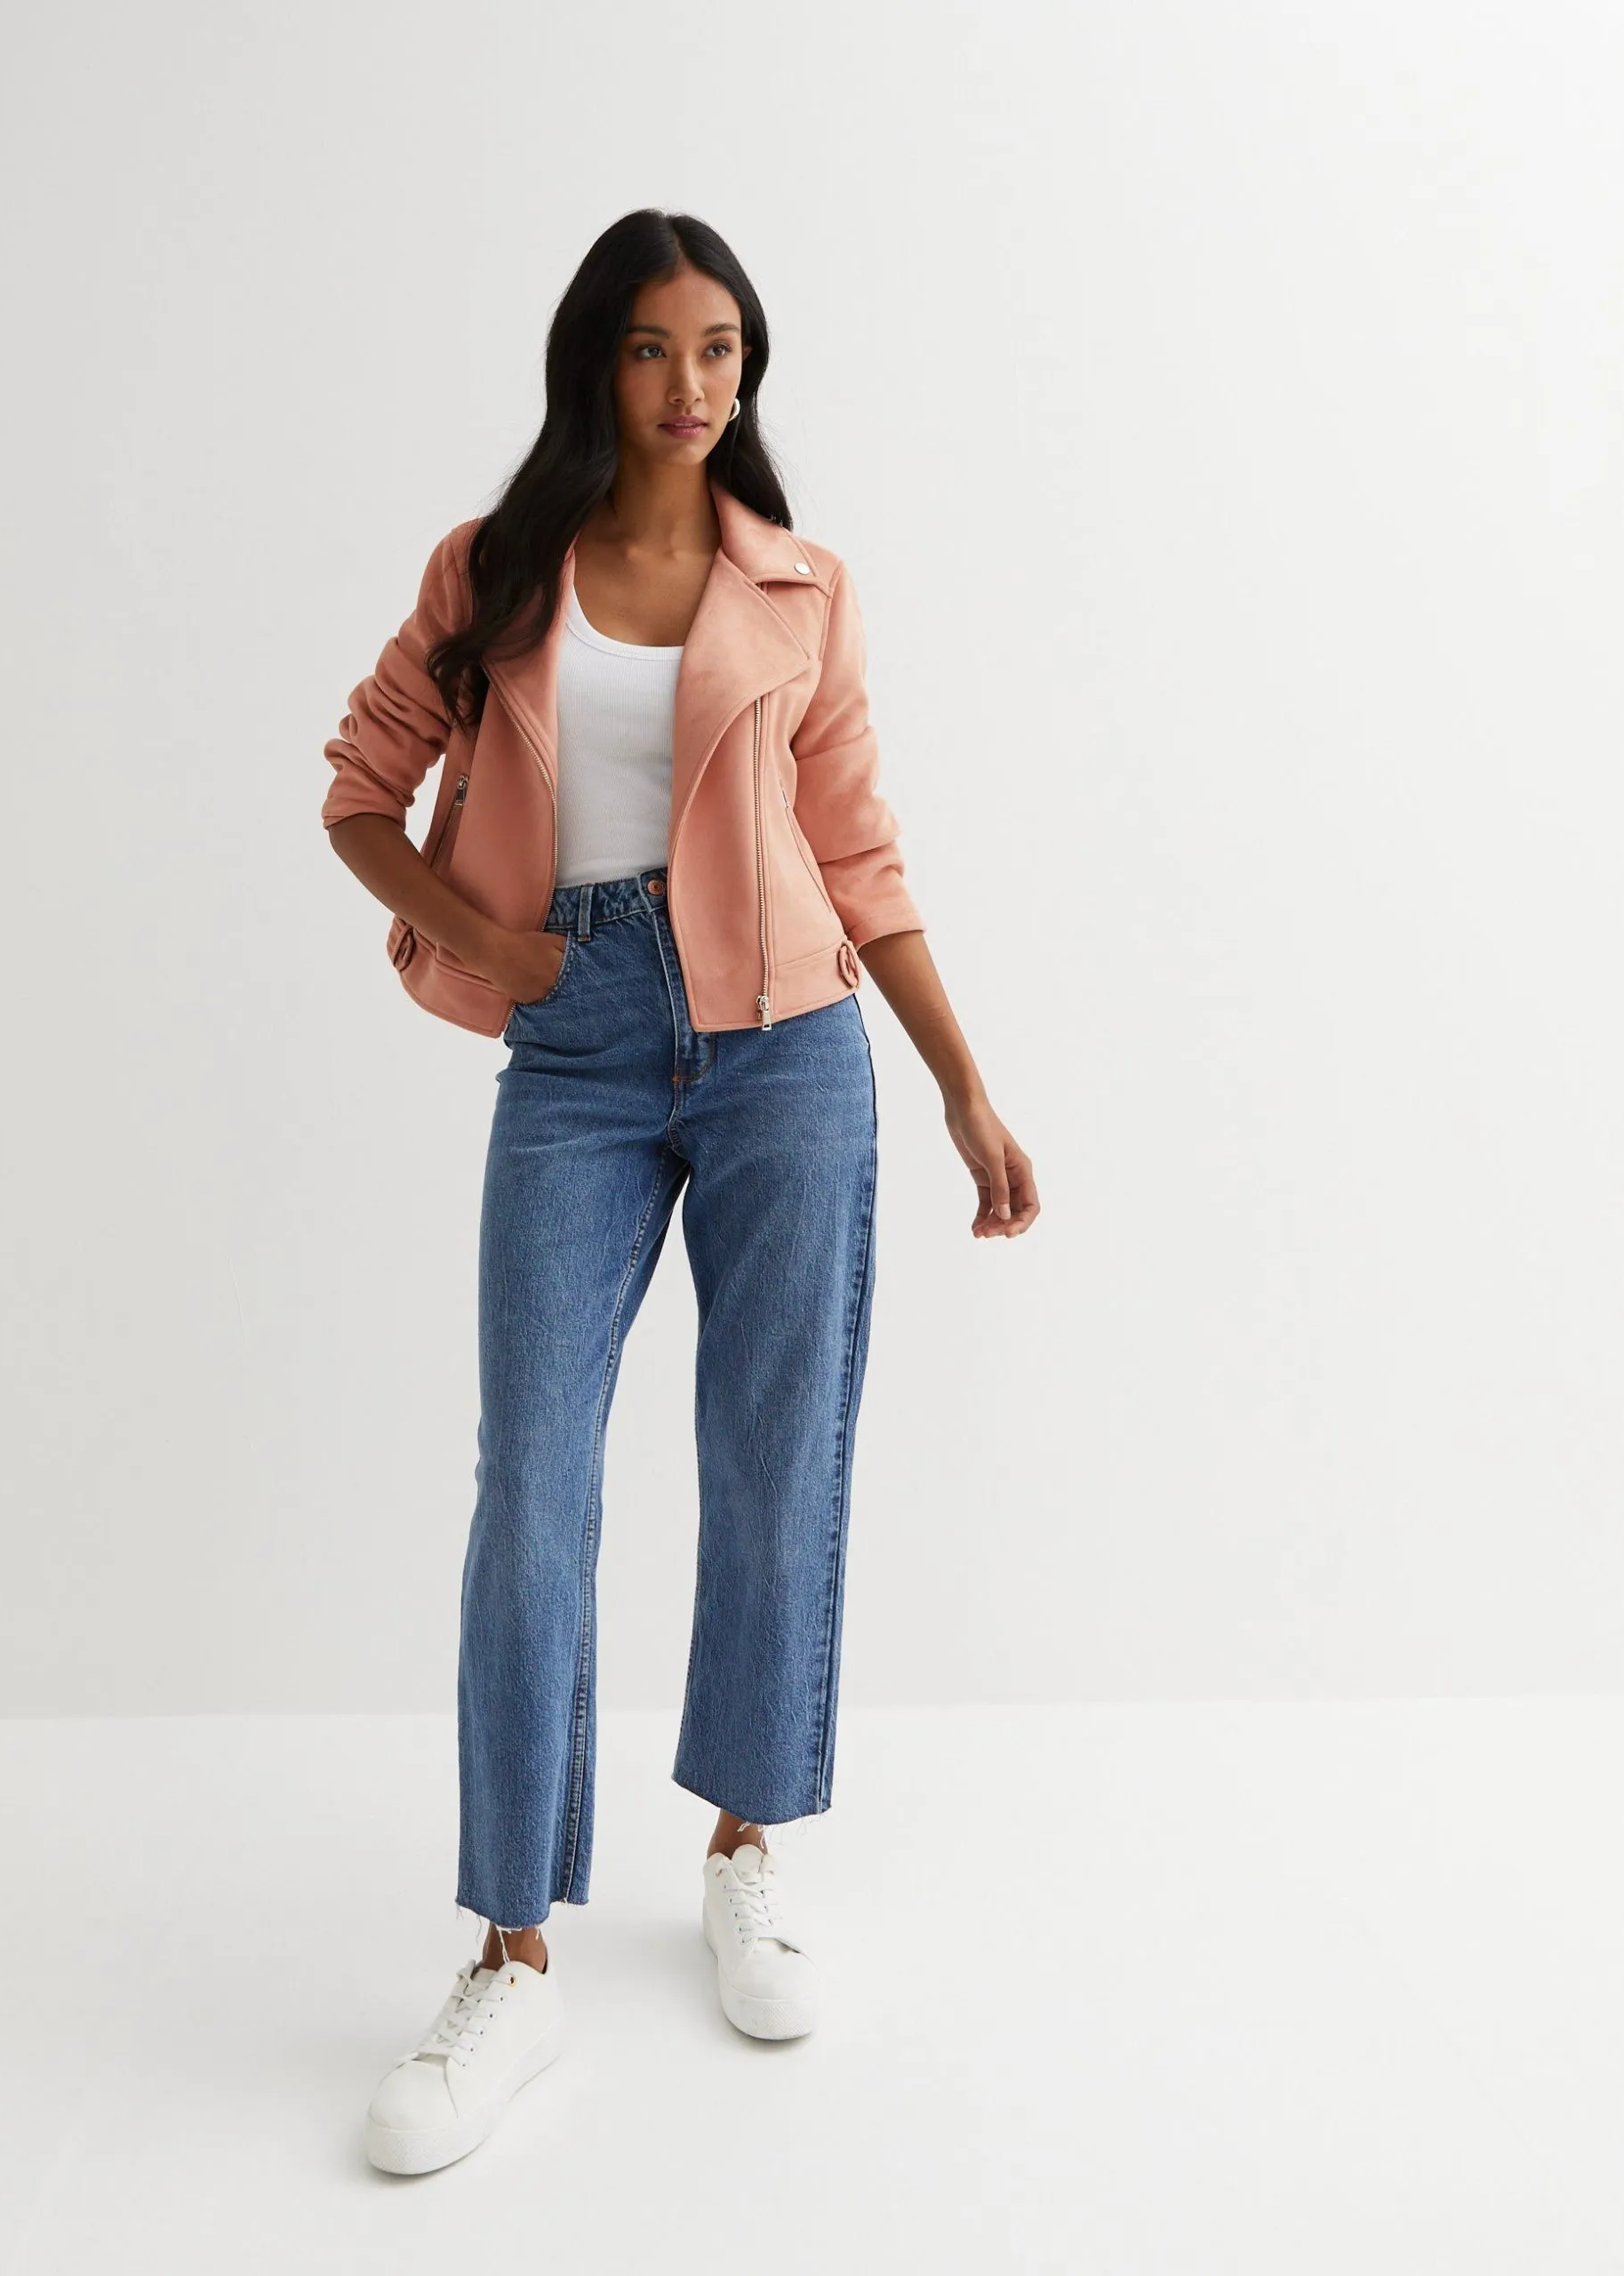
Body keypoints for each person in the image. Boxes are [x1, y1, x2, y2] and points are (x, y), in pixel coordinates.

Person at [321, 209, 1039, 2176]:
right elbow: (357, 792)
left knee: (773, 1452)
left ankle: (744, 1844)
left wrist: (962, 1083)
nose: (691, 383)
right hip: (575, 1047)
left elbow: (859, 851)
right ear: (596, 363)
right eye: (653, 347)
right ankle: (510, 1951)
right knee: (531, 1480)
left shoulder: (800, 587)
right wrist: (498, 943)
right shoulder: (491, 570)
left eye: (720, 347)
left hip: (791, 1042)